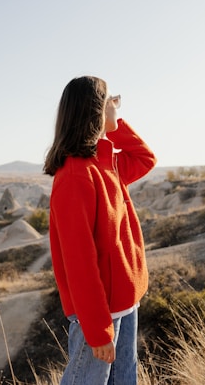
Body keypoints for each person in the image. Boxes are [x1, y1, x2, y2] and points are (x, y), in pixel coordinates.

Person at [43, 76, 157, 384]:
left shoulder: (107, 163)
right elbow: (78, 262)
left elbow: (146, 159)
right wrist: (97, 330)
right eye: (112, 100)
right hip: (100, 311)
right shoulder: (75, 177)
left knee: (124, 379)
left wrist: (114, 124)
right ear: (96, 110)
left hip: (125, 299)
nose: (117, 106)